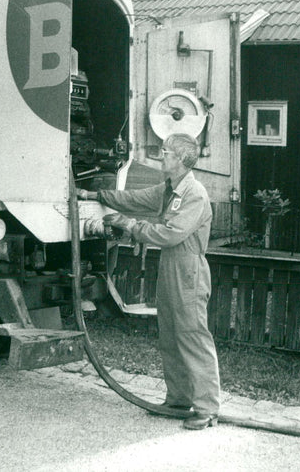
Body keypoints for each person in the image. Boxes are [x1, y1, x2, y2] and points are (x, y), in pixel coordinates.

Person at [77, 133, 220, 430]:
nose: (161, 155)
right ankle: (179, 399)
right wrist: (94, 196)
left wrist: (129, 225)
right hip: (171, 267)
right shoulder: (169, 189)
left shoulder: (193, 193)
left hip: (188, 269)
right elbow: (134, 199)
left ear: (180, 159)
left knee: (192, 336)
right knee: (170, 334)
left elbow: (170, 234)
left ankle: (206, 409)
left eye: (166, 152)